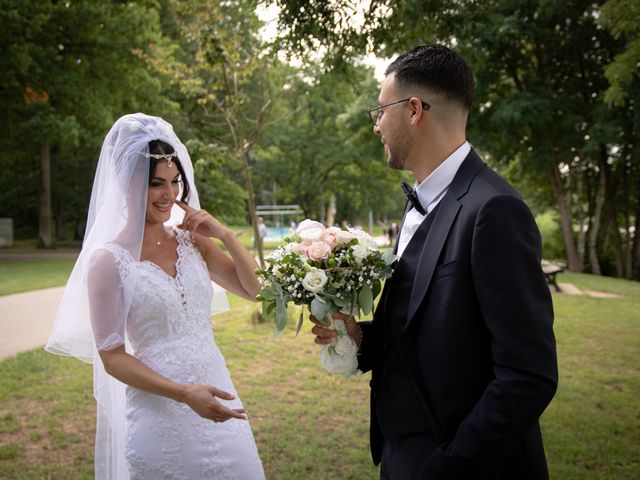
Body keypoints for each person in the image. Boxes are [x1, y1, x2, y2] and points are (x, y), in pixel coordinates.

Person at [312, 45, 558, 479]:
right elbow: (426, 330)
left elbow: (528, 374)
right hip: (400, 452)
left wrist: (449, 467)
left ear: (413, 110)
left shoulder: (494, 210)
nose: (375, 125)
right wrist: (362, 339)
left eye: (380, 110)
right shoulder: (417, 203)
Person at [46, 113, 265, 479]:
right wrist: (183, 393)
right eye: (157, 184)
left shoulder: (192, 241)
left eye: (175, 182)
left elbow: (256, 290)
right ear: (129, 184)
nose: (170, 195)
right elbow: (113, 357)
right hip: (161, 412)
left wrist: (224, 234)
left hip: (219, 399)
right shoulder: (108, 262)